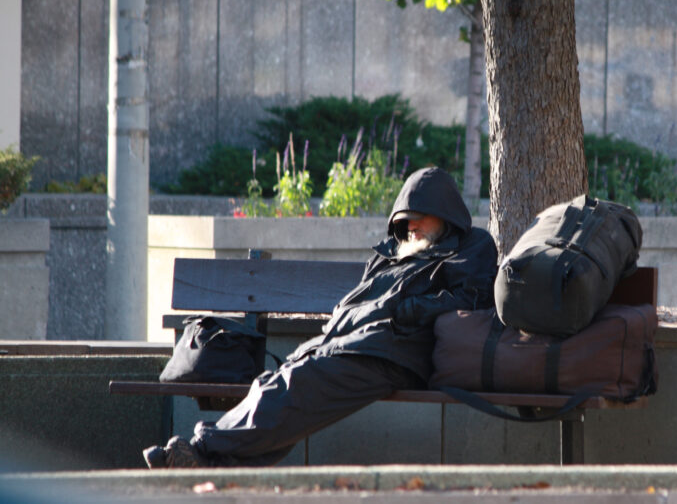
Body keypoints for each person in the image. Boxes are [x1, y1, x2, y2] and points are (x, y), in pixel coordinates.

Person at [143, 167, 498, 468]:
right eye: (405, 219)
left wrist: (401, 311)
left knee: (300, 383)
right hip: (355, 343)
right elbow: (359, 301)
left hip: (397, 352)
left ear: (446, 214)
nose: (412, 226)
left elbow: (471, 298)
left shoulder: (472, 246)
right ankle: (207, 460)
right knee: (275, 380)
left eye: (421, 216)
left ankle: (204, 451)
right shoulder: (392, 254)